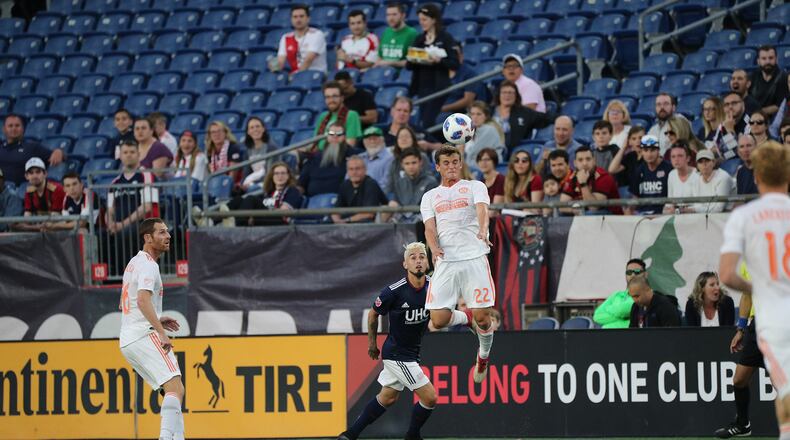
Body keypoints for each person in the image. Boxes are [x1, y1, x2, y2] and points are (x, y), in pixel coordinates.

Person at [719, 141, 790, 439]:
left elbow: (727, 275)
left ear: (757, 176)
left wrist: (761, 286)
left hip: (772, 319)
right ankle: (744, 424)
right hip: (768, 318)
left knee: (785, 393)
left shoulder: (744, 217)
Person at [338, 242, 437, 440]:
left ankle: (349, 435)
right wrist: (372, 344)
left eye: (422, 257)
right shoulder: (394, 291)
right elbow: (373, 315)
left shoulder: (434, 286)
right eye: (413, 258)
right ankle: (412, 436)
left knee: (388, 397)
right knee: (430, 397)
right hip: (397, 355)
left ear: (428, 262)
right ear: (405, 264)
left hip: (411, 354)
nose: (418, 261)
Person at [420, 145, 496, 383]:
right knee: (438, 320)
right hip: (446, 260)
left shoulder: (475, 186)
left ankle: (483, 356)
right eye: (446, 163)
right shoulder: (430, 196)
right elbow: (429, 227)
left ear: (461, 163)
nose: (451, 166)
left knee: (484, 317)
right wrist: (433, 247)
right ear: (438, 166)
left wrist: (483, 230)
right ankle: (467, 319)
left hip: (474, 256)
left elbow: (483, 210)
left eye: (455, 161)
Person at [118, 218, 184, 440]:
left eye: (168, 232)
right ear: (148, 238)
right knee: (175, 387)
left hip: (128, 338)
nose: (168, 236)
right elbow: (142, 301)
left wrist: (157, 317)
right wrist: (161, 331)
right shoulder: (149, 264)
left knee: (172, 389)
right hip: (143, 334)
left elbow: (125, 303)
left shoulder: (134, 263)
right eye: (162, 232)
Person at [715, 265, 764, 439]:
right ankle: (743, 425)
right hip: (757, 326)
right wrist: (741, 329)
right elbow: (746, 295)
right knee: (739, 379)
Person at [107, 139, 160, 277]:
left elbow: (147, 207)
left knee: (126, 233)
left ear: (138, 154)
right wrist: (111, 224)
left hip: (142, 225)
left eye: (132, 152)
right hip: (119, 225)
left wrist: (122, 225)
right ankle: (108, 278)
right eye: (125, 152)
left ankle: (127, 277)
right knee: (100, 235)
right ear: (121, 155)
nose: (128, 155)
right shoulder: (115, 182)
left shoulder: (146, 176)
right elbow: (109, 209)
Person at [406, 4, 459, 130]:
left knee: (429, 122)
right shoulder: (419, 39)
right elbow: (409, 65)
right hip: (421, 87)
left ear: (434, 20)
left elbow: (454, 63)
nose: (422, 23)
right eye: (420, 20)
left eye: (425, 20)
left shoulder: (445, 38)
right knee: (424, 120)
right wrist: (416, 58)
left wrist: (439, 60)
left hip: (439, 87)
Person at [299, 122, 362, 197]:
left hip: (342, 201)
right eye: (331, 134)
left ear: (344, 136)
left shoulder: (356, 155)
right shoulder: (314, 158)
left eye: (339, 134)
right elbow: (301, 184)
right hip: (313, 202)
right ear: (327, 136)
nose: (335, 137)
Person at [1, 114, 65, 186]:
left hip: (23, 191)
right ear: (4, 129)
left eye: (17, 125)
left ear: (23, 129)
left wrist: (59, 152)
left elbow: (57, 156)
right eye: (10, 126)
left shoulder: (32, 147)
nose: (14, 128)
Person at [235, 162, 302, 227]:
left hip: (281, 223)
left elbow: (283, 212)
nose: (280, 176)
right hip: (265, 218)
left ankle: (238, 226)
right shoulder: (269, 192)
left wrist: (256, 216)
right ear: (272, 176)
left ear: (288, 176)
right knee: (238, 200)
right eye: (276, 173)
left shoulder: (293, 191)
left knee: (251, 199)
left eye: (283, 173)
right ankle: (227, 217)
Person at [560, 146, 621, 215]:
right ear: (575, 163)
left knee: (590, 214)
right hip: (586, 212)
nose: (585, 163)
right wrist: (574, 210)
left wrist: (583, 184)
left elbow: (594, 207)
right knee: (561, 214)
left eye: (588, 159)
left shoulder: (604, 177)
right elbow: (562, 206)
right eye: (580, 160)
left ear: (594, 161)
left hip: (612, 217)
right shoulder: (573, 177)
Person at [493, 81, 553, 151]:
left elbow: (546, 118)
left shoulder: (524, 113)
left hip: (514, 152)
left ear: (516, 96)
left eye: (510, 93)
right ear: (499, 95)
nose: (507, 95)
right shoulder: (489, 111)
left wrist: (562, 118)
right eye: (504, 92)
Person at [332, 156, 388, 224]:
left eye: (357, 169)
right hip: (350, 223)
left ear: (365, 170)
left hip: (369, 225)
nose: (354, 172)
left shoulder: (371, 184)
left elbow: (369, 214)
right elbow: (336, 210)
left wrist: (346, 220)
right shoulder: (345, 185)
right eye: (351, 169)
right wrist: (337, 221)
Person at [388, 148, 438, 223]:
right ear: (402, 165)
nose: (411, 166)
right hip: (402, 221)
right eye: (407, 163)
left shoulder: (431, 182)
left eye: (414, 163)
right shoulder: (399, 182)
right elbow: (395, 202)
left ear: (420, 162)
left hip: (423, 222)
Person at [274, 4, 327, 74]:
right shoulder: (286, 38)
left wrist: (297, 76)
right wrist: (274, 67)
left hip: (315, 74)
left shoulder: (317, 34)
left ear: (308, 18)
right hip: (295, 75)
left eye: (301, 16)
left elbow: (309, 59)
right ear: (291, 19)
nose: (298, 20)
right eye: (295, 17)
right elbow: (280, 61)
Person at [593, 258, 645, 329]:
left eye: (637, 272)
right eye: (629, 272)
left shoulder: (646, 296)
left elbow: (622, 310)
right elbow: (597, 316)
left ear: (645, 274)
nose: (632, 275)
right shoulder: (616, 295)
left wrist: (609, 309)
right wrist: (624, 317)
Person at [17, 157, 65, 231]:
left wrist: (31, 227)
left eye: (38, 172)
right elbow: (27, 216)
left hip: (57, 225)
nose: (34, 176)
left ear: (45, 174)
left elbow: (55, 217)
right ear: (26, 176)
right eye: (31, 173)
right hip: (40, 225)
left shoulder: (56, 189)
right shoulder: (29, 192)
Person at [628, 135, 672, 215]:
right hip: (642, 213)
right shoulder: (639, 170)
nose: (649, 154)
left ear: (658, 151)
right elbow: (635, 196)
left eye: (652, 150)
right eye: (646, 150)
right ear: (641, 152)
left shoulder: (668, 169)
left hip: (663, 213)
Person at [314, 81, 363, 150]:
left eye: (335, 96)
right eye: (327, 97)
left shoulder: (351, 115)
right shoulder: (323, 116)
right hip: (319, 156)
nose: (331, 100)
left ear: (342, 98)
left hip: (339, 155)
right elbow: (315, 143)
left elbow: (350, 144)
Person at [688, 149, 734, 214]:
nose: (704, 164)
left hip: (726, 216)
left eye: (707, 160)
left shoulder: (723, 177)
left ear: (714, 162)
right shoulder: (695, 179)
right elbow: (696, 205)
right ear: (697, 165)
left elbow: (719, 208)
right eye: (700, 162)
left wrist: (693, 210)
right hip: (705, 217)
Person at [440, 48, 484, 116]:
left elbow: (468, 101)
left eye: (456, 55)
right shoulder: (441, 72)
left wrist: (443, 108)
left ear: (461, 57)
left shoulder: (469, 74)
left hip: (457, 113)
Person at [375, 1, 418, 68]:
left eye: (394, 14)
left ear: (403, 15)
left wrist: (391, 63)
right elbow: (380, 58)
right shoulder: (386, 32)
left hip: (401, 75)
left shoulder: (412, 33)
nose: (391, 18)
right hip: (382, 73)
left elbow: (413, 62)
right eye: (388, 15)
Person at [749, 45, 788, 118]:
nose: (768, 61)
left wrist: (757, 113)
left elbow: (779, 106)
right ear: (758, 61)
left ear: (776, 59)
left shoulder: (784, 78)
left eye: (771, 58)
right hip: (754, 118)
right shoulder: (752, 77)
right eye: (764, 58)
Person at [239, 117, 277, 190]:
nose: (255, 129)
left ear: (263, 129)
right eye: (252, 127)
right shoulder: (247, 151)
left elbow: (270, 172)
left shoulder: (271, 148)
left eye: (257, 126)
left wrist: (254, 183)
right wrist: (242, 184)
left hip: (267, 182)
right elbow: (246, 172)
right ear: (248, 132)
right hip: (253, 183)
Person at [464, 101, 505, 169]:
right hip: (470, 169)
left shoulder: (489, 130)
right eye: (472, 114)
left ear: (485, 116)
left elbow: (474, 154)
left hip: (488, 167)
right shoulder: (467, 131)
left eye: (479, 114)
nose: (475, 117)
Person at [663, 142, 699, 214]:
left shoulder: (697, 175)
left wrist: (680, 210)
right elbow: (669, 202)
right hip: (677, 216)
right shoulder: (671, 175)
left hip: (694, 217)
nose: (676, 159)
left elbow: (699, 206)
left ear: (688, 158)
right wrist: (667, 210)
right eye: (673, 156)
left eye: (680, 156)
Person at [206, 120, 245, 184]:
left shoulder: (233, 148)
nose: (216, 134)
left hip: (233, 185)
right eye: (213, 132)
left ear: (225, 133)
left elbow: (232, 177)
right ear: (210, 136)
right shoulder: (210, 152)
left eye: (219, 131)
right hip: (217, 184)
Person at [716, 91, 751, 161]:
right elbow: (720, 151)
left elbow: (739, 154)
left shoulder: (752, 122)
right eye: (726, 104)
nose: (730, 107)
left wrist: (730, 131)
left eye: (734, 103)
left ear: (743, 104)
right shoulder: (723, 125)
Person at [359, 126, 394, 192]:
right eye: (369, 139)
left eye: (375, 138)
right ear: (364, 142)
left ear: (382, 140)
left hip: (377, 197)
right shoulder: (359, 158)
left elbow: (386, 183)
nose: (372, 141)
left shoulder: (390, 159)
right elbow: (348, 179)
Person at [476, 148, 505, 214]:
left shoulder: (500, 179)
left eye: (487, 160)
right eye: (480, 160)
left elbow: (495, 210)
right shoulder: (481, 182)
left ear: (494, 161)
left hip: (495, 219)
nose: (483, 163)